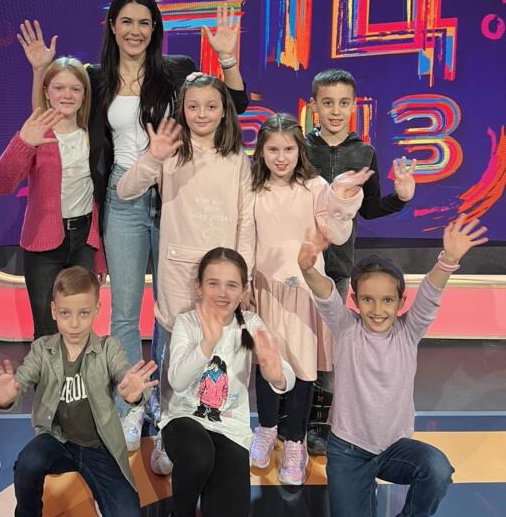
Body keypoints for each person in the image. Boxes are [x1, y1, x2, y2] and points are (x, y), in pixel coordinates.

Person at [19, 0, 248, 451]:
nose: (135, 31)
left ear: (155, 28)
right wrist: (40, 70)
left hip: (174, 194)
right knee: (124, 311)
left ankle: (168, 403)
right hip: (123, 196)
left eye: (145, 22)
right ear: (113, 27)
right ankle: (131, 403)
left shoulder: (177, 71)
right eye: (126, 21)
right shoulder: (95, 77)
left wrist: (227, 59)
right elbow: (49, 116)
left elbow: (234, 104)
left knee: (174, 309)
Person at [297, 215, 489, 517]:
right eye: (367, 299)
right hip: (349, 453)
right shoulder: (347, 328)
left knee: (436, 467)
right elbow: (325, 295)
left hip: (393, 448)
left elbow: (430, 295)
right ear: (355, 300)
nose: (377, 309)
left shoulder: (408, 332)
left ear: (401, 302)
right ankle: (359, 492)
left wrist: (448, 260)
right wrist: (307, 268)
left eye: (387, 300)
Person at [0, 266, 157, 517]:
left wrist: (132, 394)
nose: (74, 323)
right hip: (58, 440)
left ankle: (101, 492)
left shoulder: (109, 348)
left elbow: (124, 377)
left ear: (97, 310)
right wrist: (7, 396)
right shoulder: (42, 349)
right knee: (28, 462)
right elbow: (21, 381)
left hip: (99, 445)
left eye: (83, 313)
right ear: (54, 311)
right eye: (65, 313)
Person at [116, 73, 254, 475]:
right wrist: (152, 157)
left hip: (223, 278)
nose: (201, 114)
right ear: (182, 110)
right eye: (193, 106)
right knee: (177, 360)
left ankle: (218, 429)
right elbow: (126, 190)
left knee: (219, 357)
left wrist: (243, 278)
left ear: (224, 111)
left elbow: (246, 221)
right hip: (178, 273)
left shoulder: (237, 159)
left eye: (211, 106)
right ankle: (168, 431)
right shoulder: (170, 153)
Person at [159, 248, 295, 517]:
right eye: (214, 283)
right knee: (198, 452)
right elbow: (177, 380)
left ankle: (204, 488)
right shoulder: (188, 323)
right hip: (184, 421)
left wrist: (276, 373)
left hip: (229, 430)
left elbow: (285, 375)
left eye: (232, 285)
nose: (223, 292)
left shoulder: (250, 325)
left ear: (244, 291)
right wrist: (206, 344)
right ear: (198, 286)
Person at [249, 114, 369, 485]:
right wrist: (244, 285)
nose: (281, 157)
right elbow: (244, 237)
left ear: (299, 150)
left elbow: (336, 232)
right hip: (265, 291)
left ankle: (295, 443)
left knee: (303, 370)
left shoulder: (316, 186)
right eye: (273, 149)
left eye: (288, 149)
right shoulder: (252, 188)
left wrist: (343, 197)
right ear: (261, 151)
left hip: (303, 292)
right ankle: (266, 428)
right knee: (267, 364)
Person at [305, 67, 417, 454]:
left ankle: (321, 424)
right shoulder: (299, 147)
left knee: (329, 352)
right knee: (292, 346)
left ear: (354, 106)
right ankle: (286, 422)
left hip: (336, 268)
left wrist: (400, 198)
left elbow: (368, 209)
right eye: (328, 102)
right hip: (296, 264)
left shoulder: (363, 153)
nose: (336, 110)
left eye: (344, 103)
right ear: (314, 106)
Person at [0, 57, 106, 338]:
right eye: (59, 87)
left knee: (80, 327)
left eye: (75, 89)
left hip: (84, 242)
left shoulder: (93, 137)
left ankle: (77, 371)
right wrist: (23, 143)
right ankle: (48, 371)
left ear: (84, 94)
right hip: (44, 244)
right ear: (46, 92)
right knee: (47, 328)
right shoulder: (36, 136)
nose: (67, 95)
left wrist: (99, 256)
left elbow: (98, 199)